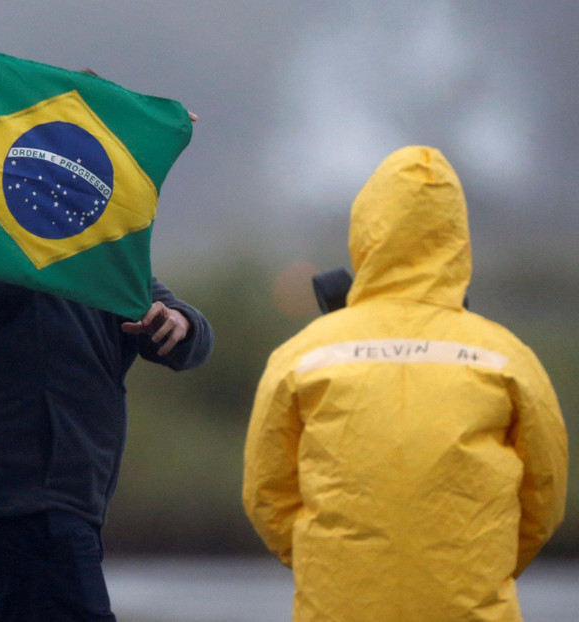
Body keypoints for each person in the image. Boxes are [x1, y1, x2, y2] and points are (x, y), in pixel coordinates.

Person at [243, 145, 568, 622]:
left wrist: (332, 561)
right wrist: (476, 571)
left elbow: (266, 494)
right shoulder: (508, 357)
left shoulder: (302, 355)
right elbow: (545, 498)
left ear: (366, 231)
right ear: (457, 237)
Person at [0, 264, 213, 620]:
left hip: (57, 503)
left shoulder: (95, 258)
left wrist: (181, 322)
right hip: (29, 501)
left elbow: (193, 346)